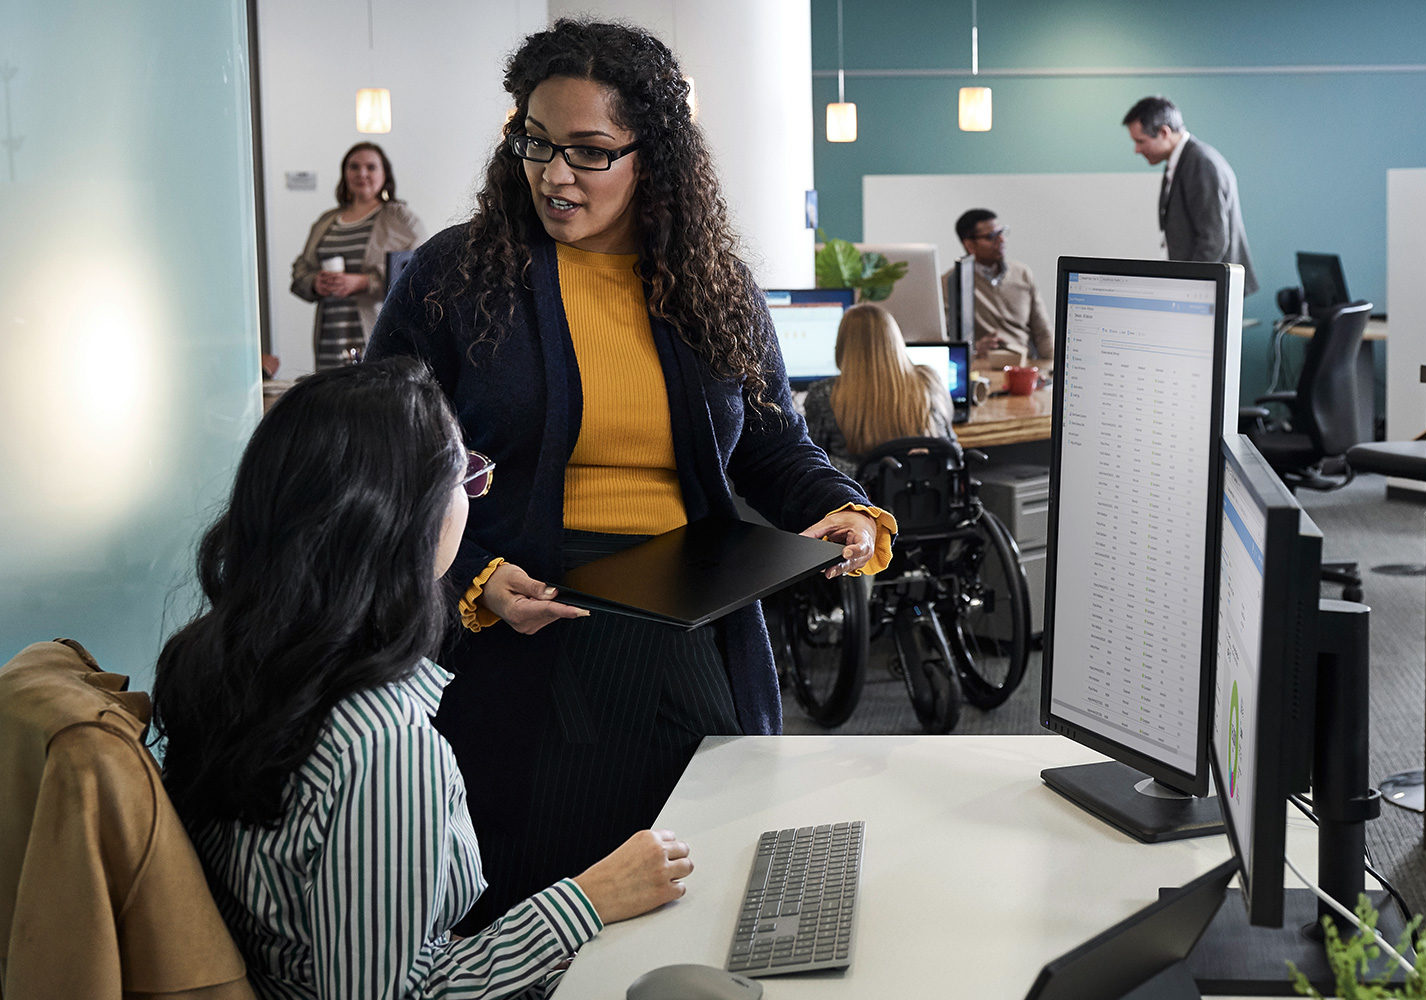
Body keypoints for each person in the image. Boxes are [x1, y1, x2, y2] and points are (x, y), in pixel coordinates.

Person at [367, 19, 896, 932]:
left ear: (653, 155)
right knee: (542, 894)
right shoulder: (455, 277)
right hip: (524, 623)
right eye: (534, 143)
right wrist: (474, 579)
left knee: (705, 883)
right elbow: (378, 463)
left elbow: (771, 444)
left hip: (689, 619)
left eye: (590, 152)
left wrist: (844, 507)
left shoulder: (709, 280)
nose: (554, 175)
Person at [153, 359, 695, 1000]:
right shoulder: (383, 746)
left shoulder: (228, 658)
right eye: (465, 475)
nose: (471, 494)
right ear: (408, 518)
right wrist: (590, 899)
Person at [288, 142, 425, 369]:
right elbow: (300, 270)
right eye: (354, 167)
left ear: (385, 174)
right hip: (330, 340)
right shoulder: (326, 221)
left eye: (371, 167)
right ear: (344, 174)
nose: (362, 173)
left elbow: (419, 272)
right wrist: (314, 282)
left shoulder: (401, 219)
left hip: (376, 334)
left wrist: (365, 282)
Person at [1121, 96, 1258, 294]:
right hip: (1201, 286)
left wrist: (1189, 290)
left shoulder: (1200, 162)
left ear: (1164, 132)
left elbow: (1213, 240)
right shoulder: (1180, 161)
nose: (1137, 150)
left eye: (1141, 141)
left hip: (1210, 289)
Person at [803, 302, 956, 476]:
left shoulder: (824, 394)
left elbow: (812, 462)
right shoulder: (929, 382)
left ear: (843, 345)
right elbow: (953, 451)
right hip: (929, 497)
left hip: (860, 499)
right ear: (896, 340)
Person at [942, 209, 1054, 368]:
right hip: (983, 369)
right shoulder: (952, 282)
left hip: (1023, 367)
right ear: (969, 245)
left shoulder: (1022, 273)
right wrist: (974, 349)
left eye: (1001, 232)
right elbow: (942, 340)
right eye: (991, 236)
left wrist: (1053, 369)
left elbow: (1043, 333)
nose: (1001, 240)